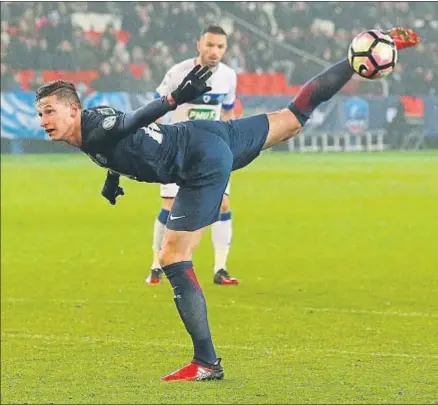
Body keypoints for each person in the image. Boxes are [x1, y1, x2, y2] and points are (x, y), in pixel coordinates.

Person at [35, 28, 419, 382]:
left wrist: (171, 100)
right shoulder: (89, 128)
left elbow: (130, 122)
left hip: (199, 164)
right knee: (292, 116)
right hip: (209, 134)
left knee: (172, 257)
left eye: (50, 112)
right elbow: (116, 142)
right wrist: (112, 179)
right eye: (40, 114)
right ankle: (357, 57)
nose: (43, 121)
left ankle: (206, 362)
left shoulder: (98, 125)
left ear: (73, 109)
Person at [146, 25, 239, 286]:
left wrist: (231, 145)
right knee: (169, 206)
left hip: (212, 152)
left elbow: (228, 112)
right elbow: (156, 108)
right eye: (210, 45)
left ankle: (220, 268)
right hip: (178, 150)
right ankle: (156, 264)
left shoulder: (229, 77)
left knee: (222, 204)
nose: (214, 51)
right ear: (199, 44)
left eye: (220, 47)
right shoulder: (177, 73)